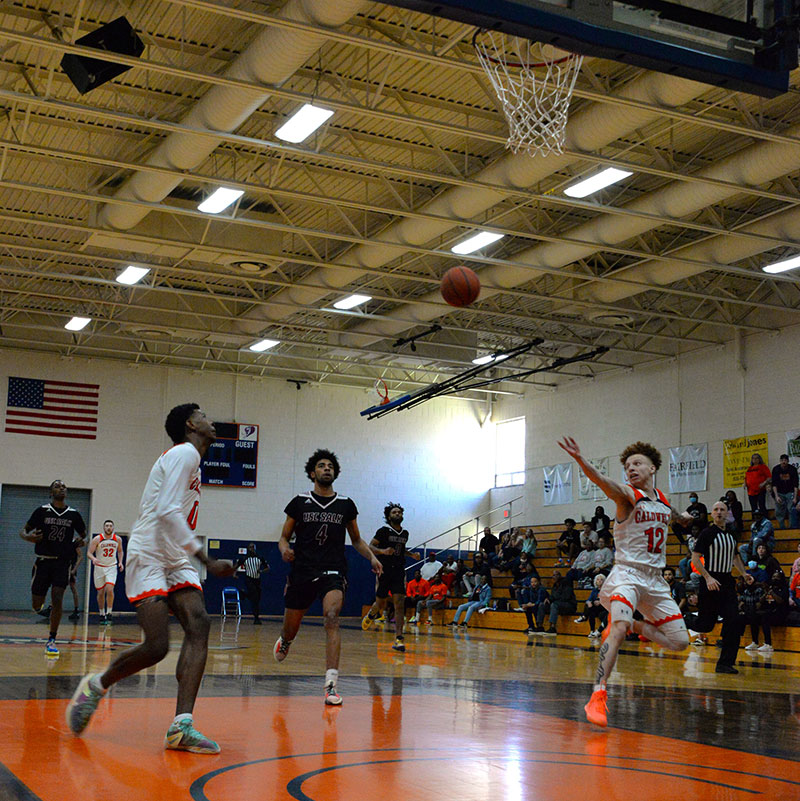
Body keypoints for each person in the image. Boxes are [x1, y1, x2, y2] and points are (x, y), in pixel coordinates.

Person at [66, 403, 235, 753]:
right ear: (191, 424)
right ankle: (97, 685)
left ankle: (181, 726)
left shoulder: (192, 458)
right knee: (157, 647)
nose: (210, 419)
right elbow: (166, 509)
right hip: (149, 550)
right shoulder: (185, 452)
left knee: (199, 624)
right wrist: (206, 558)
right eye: (203, 414)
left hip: (174, 553)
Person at [558, 436, 694, 728]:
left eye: (637, 463)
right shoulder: (627, 496)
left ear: (653, 468)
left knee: (680, 642)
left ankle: (634, 624)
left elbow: (674, 516)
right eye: (627, 465)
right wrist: (582, 461)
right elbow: (604, 482)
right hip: (628, 575)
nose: (631, 468)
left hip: (656, 580)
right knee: (617, 627)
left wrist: (686, 519)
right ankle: (598, 693)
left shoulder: (662, 500)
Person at [273, 448, 382, 705]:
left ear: (335, 473)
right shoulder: (299, 502)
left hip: (333, 569)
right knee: (291, 627)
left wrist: (373, 557)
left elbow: (356, 540)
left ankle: (331, 685)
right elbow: (283, 537)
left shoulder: (346, 505)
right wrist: (284, 549)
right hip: (303, 569)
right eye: (321, 466)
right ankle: (287, 640)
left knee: (332, 618)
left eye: (330, 466)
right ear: (312, 472)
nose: (326, 469)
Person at [20, 479, 87, 656]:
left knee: (57, 597)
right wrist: (29, 538)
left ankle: (52, 639)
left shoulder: (73, 514)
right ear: (51, 492)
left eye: (64, 486)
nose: (61, 488)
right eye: (57, 486)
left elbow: (84, 536)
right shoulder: (42, 511)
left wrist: (81, 541)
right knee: (36, 604)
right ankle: (40, 608)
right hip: (43, 561)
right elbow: (23, 531)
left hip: (62, 563)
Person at [686, 501, 748, 673]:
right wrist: (707, 577)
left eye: (722, 510)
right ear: (712, 514)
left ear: (727, 513)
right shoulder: (707, 533)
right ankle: (685, 618)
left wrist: (744, 574)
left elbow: (735, 557)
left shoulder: (731, 534)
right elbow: (695, 559)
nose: (719, 512)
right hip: (710, 581)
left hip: (727, 582)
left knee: (734, 621)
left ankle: (725, 663)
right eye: (716, 510)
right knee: (706, 625)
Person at [362, 502, 420, 652]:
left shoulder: (405, 533)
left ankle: (399, 639)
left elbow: (401, 550)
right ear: (389, 516)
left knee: (399, 603)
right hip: (384, 570)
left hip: (399, 570)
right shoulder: (383, 531)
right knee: (381, 602)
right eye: (394, 512)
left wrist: (411, 554)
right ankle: (373, 611)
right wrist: (383, 551)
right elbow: (370, 547)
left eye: (400, 512)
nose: (397, 514)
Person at [87, 520, 124, 624]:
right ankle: (102, 613)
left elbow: (120, 551)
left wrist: (120, 562)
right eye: (107, 526)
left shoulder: (118, 539)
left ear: (113, 528)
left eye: (110, 526)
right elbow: (89, 553)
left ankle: (109, 613)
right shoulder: (97, 539)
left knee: (109, 589)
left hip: (111, 567)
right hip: (99, 568)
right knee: (100, 593)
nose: (108, 527)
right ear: (104, 528)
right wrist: (93, 559)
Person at [236, 543, 269, 625]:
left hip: (257, 580)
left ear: (255, 548)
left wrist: (261, 571)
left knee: (257, 598)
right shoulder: (244, 558)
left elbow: (267, 568)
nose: (252, 549)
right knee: (255, 597)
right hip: (249, 579)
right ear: (248, 549)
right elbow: (236, 566)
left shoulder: (260, 558)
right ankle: (256, 618)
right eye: (250, 547)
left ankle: (244, 594)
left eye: (253, 547)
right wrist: (234, 574)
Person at [543, 570, 577, 634]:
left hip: (569, 605)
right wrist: (548, 599)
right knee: (542, 605)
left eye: (555, 575)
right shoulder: (555, 586)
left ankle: (552, 627)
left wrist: (554, 600)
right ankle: (539, 626)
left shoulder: (566, 584)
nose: (554, 577)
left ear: (559, 576)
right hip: (559, 605)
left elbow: (566, 597)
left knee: (554, 605)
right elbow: (553, 596)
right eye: (553, 575)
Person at [771, 454, 799, 529]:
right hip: (779, 492)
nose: (784, 462)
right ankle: (781, 527)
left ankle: (791, 527)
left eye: (785, 460)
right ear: (780, 461)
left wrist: (795, 497)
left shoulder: (792, 469)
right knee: (779, 511)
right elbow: (774, 484)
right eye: (782, 460)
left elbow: (796, 485)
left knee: (791, 509)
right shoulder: (776, 469)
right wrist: (776, 496)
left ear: (788, 461)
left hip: (790, 491)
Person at [744, 453, 771, 517]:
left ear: (759, 459)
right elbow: (746, 477)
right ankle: (755, 521)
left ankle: (765, 519)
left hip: (760, 489)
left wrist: (764, 483)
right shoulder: (749, 468)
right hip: (751, 491)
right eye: (753, 458)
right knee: (753, 507)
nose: (755, 460)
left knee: (761, 505)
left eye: (756, 458)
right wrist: (745, 483)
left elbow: (769, 477)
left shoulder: (763, 467)